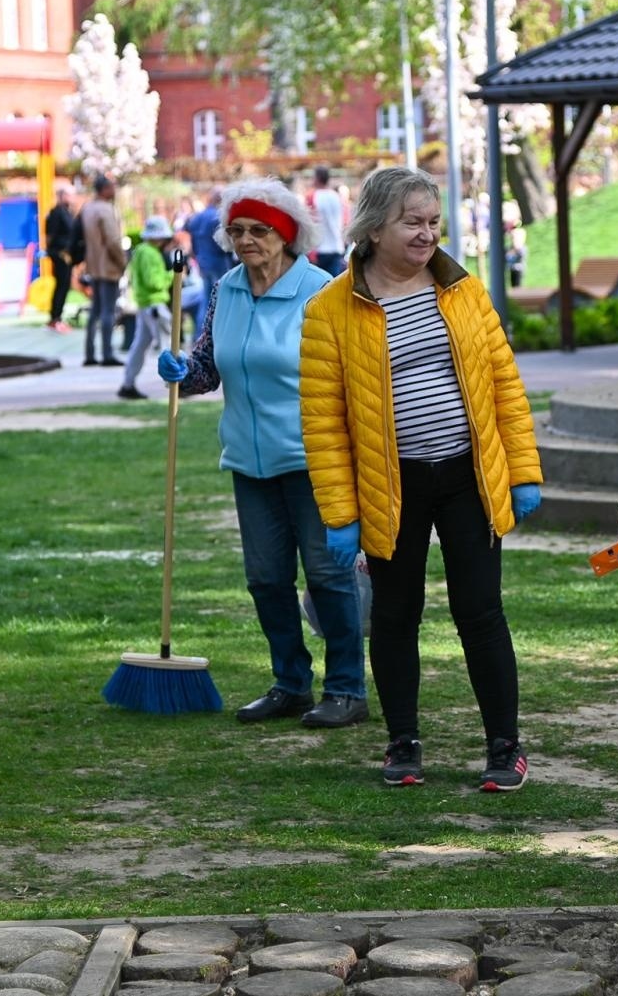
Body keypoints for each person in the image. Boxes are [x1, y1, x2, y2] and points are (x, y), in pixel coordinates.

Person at [299, 166, 543, 791]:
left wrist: (521, 471)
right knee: (396, 615)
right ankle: (402, 743)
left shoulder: (463, 290)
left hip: (467, 477)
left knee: (481, 611)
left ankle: (504, 746)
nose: (427, 234)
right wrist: (340, 512)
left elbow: (505, 386)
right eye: (413, 222)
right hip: (390, 486)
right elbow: (323, 421)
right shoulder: (331, 308)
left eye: (433, 222)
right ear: (374, 226)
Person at [157, 179, 368, 729]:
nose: (247, 240)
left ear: (287, 234)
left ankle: (347, 688)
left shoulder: (322, 290)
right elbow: (208, 365)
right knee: (266, 578)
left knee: (327, 575)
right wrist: (185, 371)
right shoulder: (226, 288)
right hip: (248, 461)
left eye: (260, 230)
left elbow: (351, 380)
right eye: (238, 230)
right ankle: (291, 683)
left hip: (312, 459)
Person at [118, 216, 178, 401]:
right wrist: (173, 275)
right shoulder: (150, 253)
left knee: (140, 345)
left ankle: (128, 384)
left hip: (145, 304)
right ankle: (176, 385)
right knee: (168, 344)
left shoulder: (141, 251)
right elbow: (155, 282)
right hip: (154, 303)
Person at [81, 174, 127, 367]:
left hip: (93, 265)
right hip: (108, 266)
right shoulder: (106, 210)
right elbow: (112, 240)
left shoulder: (87, 208)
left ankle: (90, 353)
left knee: (95, 311)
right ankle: (107, 353)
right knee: (108, 311)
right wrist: (122, 261)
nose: (114, 190)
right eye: (112, 187)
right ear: (105, 189)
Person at [44, 183, 78, 332]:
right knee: (61, 285)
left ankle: (57, 316)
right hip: (60, 254)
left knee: (64, 286)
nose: (73, 198)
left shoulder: (67, 212)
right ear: (63, 195)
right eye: (70, 195)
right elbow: (50, 235)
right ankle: (55, 318)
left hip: (67, 254)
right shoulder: (57, 213)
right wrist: (57, 252)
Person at [186, 186, 235, 288]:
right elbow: (224, 243)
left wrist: (196, 255)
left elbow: (192, 238)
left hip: (203, 261)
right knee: (221, 294)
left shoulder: (198, 217)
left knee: (207, 294)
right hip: (219, 261)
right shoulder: (218, 217)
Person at [310, 166, 347, 277]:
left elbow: (310, 223)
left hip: (320, 249)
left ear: (317, 178)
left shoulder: (312, 196)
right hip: (336, 247)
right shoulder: (336, 196)